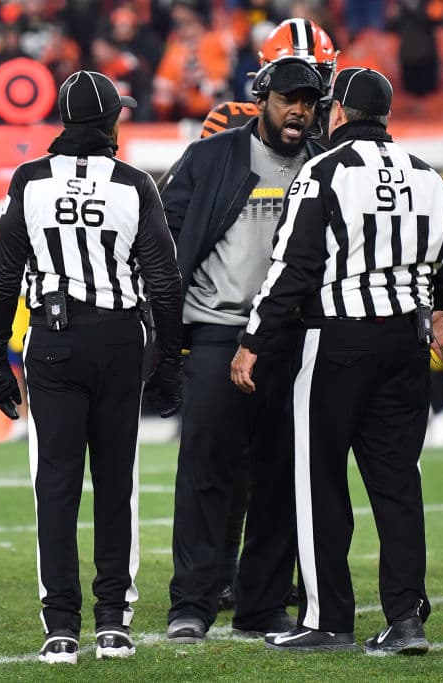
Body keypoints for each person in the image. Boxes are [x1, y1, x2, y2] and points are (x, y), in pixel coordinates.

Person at [231, 67, 443, 654]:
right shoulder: (426, 176)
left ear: (337, 113)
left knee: (320, 482)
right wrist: (425, 305)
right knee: (398, 484)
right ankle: (405, 619)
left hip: (337, 340)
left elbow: (291, 269)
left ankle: (328, 619)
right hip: (405, 345)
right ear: (386, 115)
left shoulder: (323, 172)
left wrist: (254, 340)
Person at [0, 70, 181, 664]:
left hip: (54, 341)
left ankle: (61, 626)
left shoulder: (31, 179)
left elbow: (4, 276)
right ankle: (113, 621)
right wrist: (170, 361)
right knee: (117, 483)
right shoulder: (133, 183)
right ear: (110, 122)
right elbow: (164, 283)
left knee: (57, 484)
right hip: (119, 340)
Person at [158, 55, 327, 644]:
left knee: (282, 476)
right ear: (263, 98)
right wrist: (164, 327)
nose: (298, 111)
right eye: (288, 99)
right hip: (216, 329)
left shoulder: (325, 164)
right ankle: (192, 603)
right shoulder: (212, 156)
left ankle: (260, 605)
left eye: (308, 101)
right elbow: (165, 235)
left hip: (292, 339)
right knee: (207, 471)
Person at [200, 18, 338, 138]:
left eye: (319, 74)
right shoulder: (231, 122)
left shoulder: (338, 129)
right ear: (266, 77)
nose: (307, 87)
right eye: (289, 76)